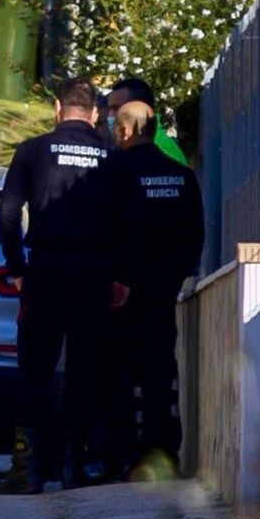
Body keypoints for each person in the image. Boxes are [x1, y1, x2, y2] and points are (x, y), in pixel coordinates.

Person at [0, 78, 115, 495]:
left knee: (35, 368)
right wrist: (117, 275)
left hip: (46, 270)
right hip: (94, 272)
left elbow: (8, 215)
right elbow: (124, 220)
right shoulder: (110, 155)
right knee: (85, 367)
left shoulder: (32, 151)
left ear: (56, 107)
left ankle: (28, 468)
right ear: (95, 112)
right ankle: (74, 465)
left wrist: (17, 269)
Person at [106, 101, 204, 478]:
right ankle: (163, 448)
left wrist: (117, 279)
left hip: (122, 291)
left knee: (120, 371)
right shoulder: (181, 175)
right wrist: (180, 274)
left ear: (127, 130)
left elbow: (109, 229)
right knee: (160, 369)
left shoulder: (114, 171)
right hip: (164, 289)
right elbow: (195, 232)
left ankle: (124, 452)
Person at [106, 77, 188, 166]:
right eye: (109, 109)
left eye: (116, 108)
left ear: (139, 106)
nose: (110, 115)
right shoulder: (127, 143)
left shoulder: (165, 154)